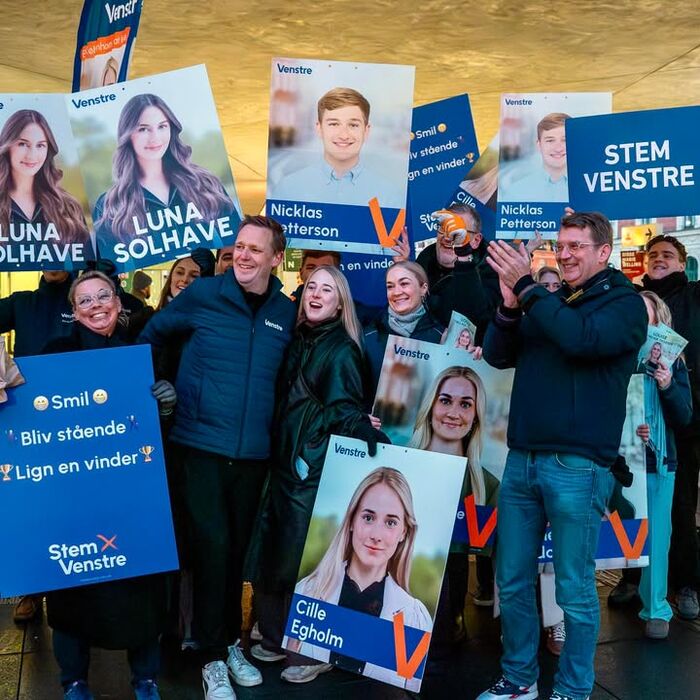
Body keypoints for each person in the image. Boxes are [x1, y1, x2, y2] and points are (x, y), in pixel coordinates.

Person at [477, 211, 647, 700]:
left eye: (577, 246)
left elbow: (579, 339)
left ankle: (573, 689)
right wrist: (509, 307)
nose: (566, 254)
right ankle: (519, 679)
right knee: (512, 580)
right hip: (522, 459)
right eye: (562, 246)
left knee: (573, 588)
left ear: (604, 251)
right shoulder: (552, 301)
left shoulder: (624, 304)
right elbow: (497, 355)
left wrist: (527, 288)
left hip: (577, 465)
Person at [138, 215, 296, 700]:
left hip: (253, 456)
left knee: (234, 554)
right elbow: (152, 335)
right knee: (211, 550)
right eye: (240, 246)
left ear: (276, 259)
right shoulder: (204, 294)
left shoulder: (284, 311)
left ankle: (228, 643)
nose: (244, 255)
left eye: (255, 249)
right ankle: (211, 660)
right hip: (200, 446)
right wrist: (160, 384)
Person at [247, 265, 388, 685]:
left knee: (301, 558)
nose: (316, 294)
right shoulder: (299, 339)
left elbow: (344, 408)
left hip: (309, 470)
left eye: (327, 290)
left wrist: (355, 430)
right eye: (311, 286)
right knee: (277, 551)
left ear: (340, 303)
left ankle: (309, 650)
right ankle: (275, 636)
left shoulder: (341, 349)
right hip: (285, 466)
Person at [42, 270, 176, 700]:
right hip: (75, 495)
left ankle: (145, 679)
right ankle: (74, 680)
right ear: (74, 311)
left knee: (140, 582)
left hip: (132, 492)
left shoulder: (141, 355)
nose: (96, 305)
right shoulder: (54, 354)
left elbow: (156, 433)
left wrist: (165, 405)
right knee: (74, 587)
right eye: (85, 300)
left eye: (104, 296)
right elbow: (33, 422)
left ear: (119, 303)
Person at [287, 467, 431, 691]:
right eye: (368, 517)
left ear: (404, 532)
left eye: (391, 522)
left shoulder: (415, 617)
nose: (376, 535)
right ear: (352, 520)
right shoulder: (307, 591)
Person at [0, 268, 75, 624]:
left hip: (80, 418)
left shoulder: (85, 297)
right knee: (35, 506)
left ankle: (79, 583)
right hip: (31, 423)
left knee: (75, 503)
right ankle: (33, 588)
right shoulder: (22, 303)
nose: (54, 258)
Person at [409, 366, 498, 638]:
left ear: (476, 416)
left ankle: (452, 622)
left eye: (466, 404)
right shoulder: (397, 468)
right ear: (431, 406)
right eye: (445, 400)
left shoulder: (488, 485)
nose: (453, 413)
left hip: (444, 634)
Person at [639, 234, 700, 620]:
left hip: (685, 420)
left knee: (681, 506)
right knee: (635, 505)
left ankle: (687, 582)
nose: (658, 259)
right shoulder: (633, 298)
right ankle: (634, 580)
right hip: (639, 427)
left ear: (682, 262)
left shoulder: (694, 295)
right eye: (653, 255)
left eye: (667, 255)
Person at [93, 93, 233, 246]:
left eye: (162, 126)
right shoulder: (109, 205)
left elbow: (234, 243)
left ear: (171, 128)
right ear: (127, 135)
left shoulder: (205, 183)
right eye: (143, 129)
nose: (155, 138)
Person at [634, 291, 692, 639]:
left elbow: (684, 416)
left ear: (659, 322)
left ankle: (655, 608)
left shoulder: (675, 365)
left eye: (645, 314)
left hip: (659, 460)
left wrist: (668, 385)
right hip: (619, 460)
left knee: (657, 536)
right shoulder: (618, 357)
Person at [272, 87, 403, 208]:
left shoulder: (390, 196)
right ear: (319, 129)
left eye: (353, 125)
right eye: (334, 124)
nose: (344, 135)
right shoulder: (288, 188)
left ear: (366, 131)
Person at [0, 109, 90, 249]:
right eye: (23, 144)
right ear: (7, 146)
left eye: (40, 145)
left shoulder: (68, 207)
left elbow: (84, 257)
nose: (32, 155)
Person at [416, 204, 501, 338]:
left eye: (457, 231)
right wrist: (405, 270)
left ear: (476, 240)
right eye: (443, 228)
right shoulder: (422, 262)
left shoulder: (492, 271)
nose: (447, 237)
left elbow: (477, 319)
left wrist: (463, 254)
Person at [363, 261, 444, 391]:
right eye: (390, 286)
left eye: (404, 284)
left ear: (423, 288)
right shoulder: (368, 337)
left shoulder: (442, 337)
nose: (396, 292)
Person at [505, 113, 570, 203]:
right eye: (550, 140)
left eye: (565, 140)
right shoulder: (515, 192)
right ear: (539, 146)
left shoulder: (588, 190)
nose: (558, 148)